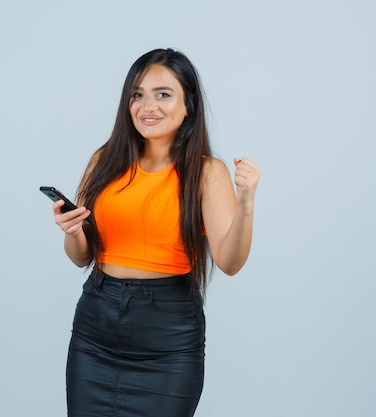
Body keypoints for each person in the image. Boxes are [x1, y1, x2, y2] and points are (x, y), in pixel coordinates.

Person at [49, 48, 260, 417]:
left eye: (163, 94)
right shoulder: (104, 161)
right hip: (95, 331)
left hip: (168, 339)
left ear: (188, 104)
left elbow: (229, 263)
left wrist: (246, 204)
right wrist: (72, 231)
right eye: (137, 94)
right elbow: (82, 256)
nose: (148, 105)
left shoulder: (207, 173)